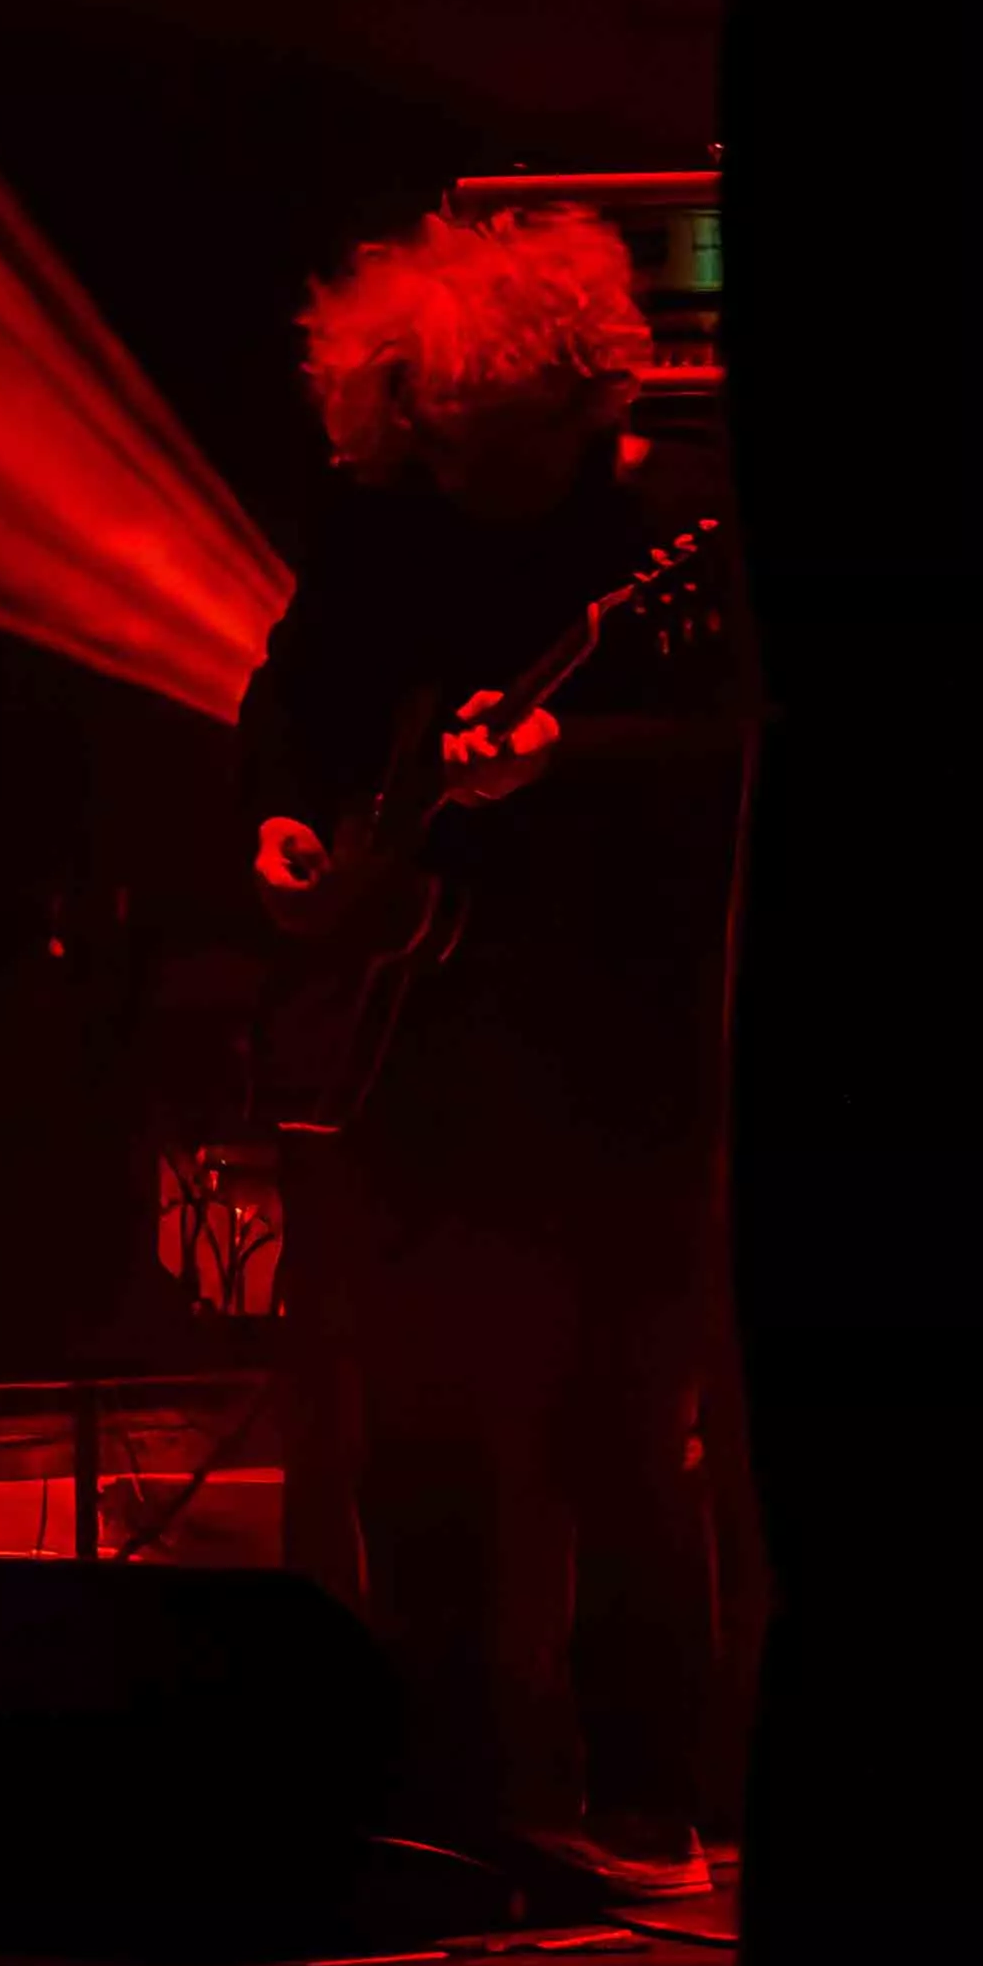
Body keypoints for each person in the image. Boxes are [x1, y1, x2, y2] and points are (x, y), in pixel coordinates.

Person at [239, 204, 740, 1876]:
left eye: (493, 447)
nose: (459, 475)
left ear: (576, 415)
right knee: (418, 1434)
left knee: (617, 1429)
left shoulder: (674, 537)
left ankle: (646, 1793)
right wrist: (280, 825)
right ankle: (445, 1791)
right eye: (435, 442)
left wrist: (564, 752)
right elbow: (286, 705)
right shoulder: (382, 526)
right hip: (417, 1044)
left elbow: (731, 754)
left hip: (622, 1039)